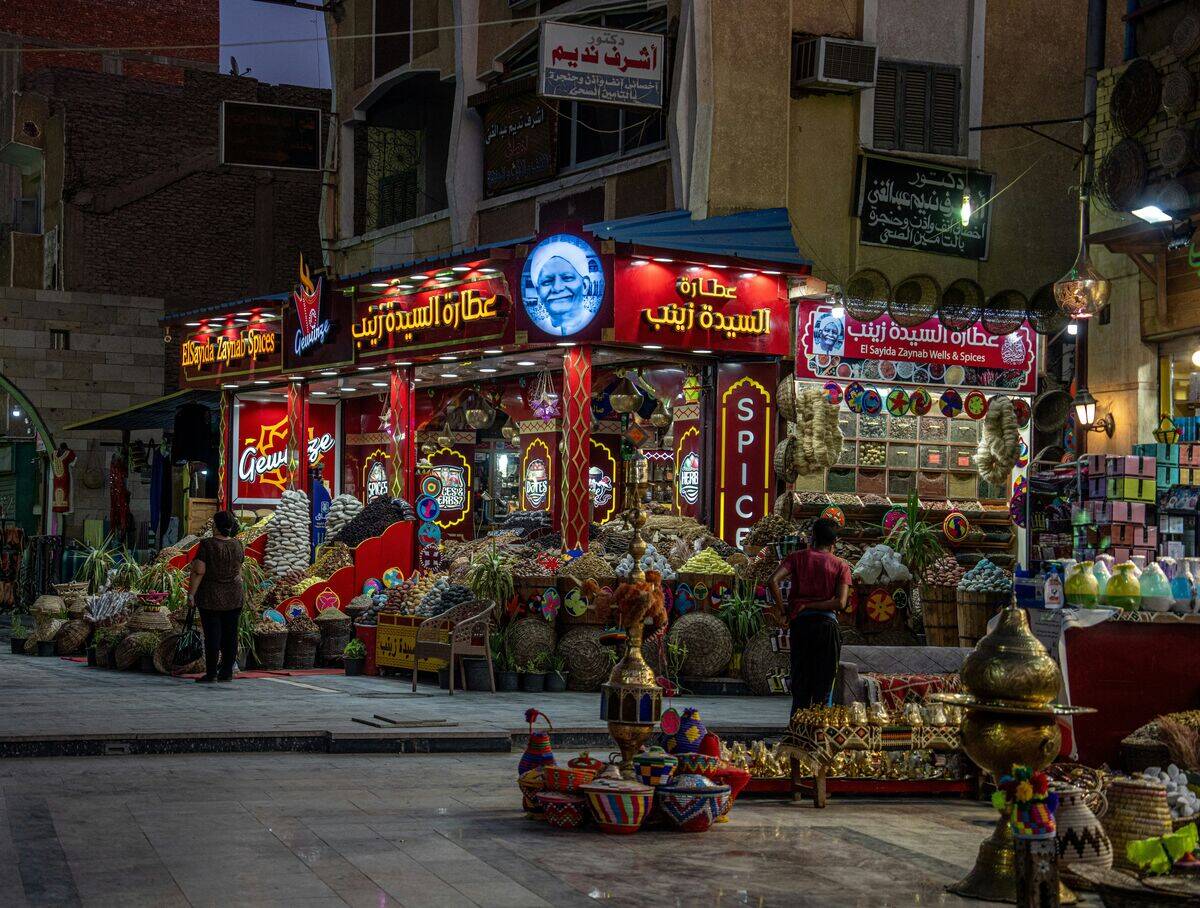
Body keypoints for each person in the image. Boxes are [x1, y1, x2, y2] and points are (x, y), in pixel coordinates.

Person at [769, 517, 852, 719]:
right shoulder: (841, 566)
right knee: (824, 686)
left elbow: (773, 580)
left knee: (801, 683)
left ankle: (797, 731)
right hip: (827, 628)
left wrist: (783, 610)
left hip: (801, 626)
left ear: (812, 538)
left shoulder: (796, 557)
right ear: (834, 542)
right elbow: (840, 603)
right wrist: (814, 604)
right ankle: (819, 734)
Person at [188, 510, 245, 683]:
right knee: (230, 634)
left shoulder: (207, 545)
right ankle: (226, 671)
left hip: (211, 597)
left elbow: (199, 571)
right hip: (234, 595)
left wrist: (191, 594)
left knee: (213, 635)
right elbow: (239, 570)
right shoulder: (237, 545)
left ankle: (211, 672)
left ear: (215, 526)